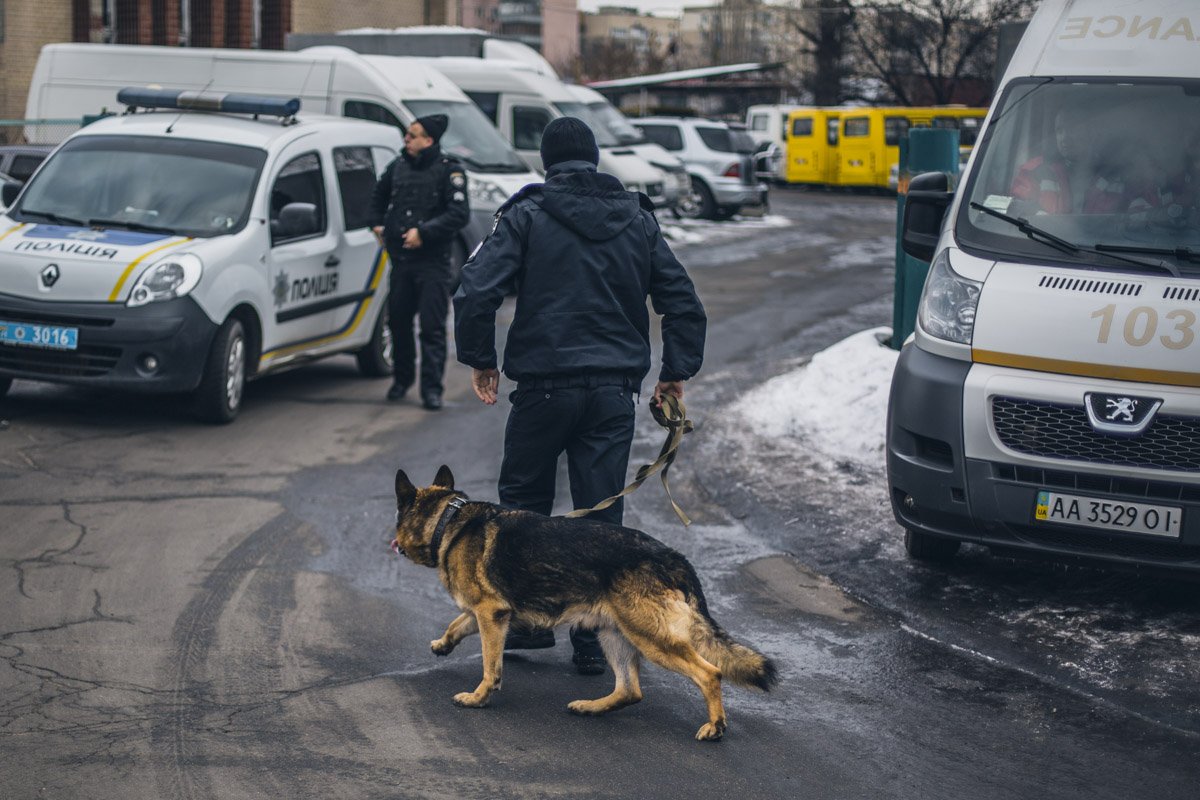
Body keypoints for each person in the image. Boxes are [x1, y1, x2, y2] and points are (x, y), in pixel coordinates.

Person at [452, 117, 707, 675]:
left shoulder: (526, 214)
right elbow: (682, 300)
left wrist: (481, 359)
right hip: (613, 394)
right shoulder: (637, 219)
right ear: (595, 160)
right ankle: (594, 641)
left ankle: (526, 625)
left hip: (543, 389)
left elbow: (475, 289)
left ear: (547, 162)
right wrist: (674, 372)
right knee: (601, 519)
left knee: (521, 507)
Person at [371, 114, 469, 410]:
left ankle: (431, 390)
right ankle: (401, 380)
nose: (406, 139)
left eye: (412, 135)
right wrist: (376, 224)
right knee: (398, 323)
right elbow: (378, 196)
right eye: (407, 134)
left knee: (431, 328)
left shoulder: (449, 171)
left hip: (433, 263)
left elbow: (458, 214)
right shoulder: (398, 166)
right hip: (401, 261)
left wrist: (424, 233)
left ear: (429, 140)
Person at [1010, 105, 1098, 215]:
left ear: (1091, 132)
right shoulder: (1034, 171)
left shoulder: (1116, 177)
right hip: (1041, 233)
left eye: (1072, 129)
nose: (1064, 138)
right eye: (1059, 130)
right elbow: (1016, 215)